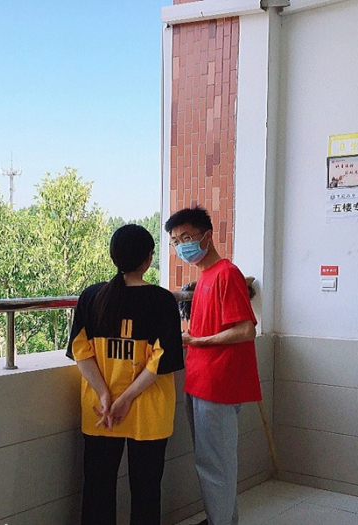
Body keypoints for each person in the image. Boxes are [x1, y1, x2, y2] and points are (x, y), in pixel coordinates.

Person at [66, 224, 184, 525]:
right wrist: (127, 398)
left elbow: (80, 352)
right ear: (148, 259)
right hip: (148, 410)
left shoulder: (91, 296)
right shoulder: (162, 300)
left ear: (113, 256)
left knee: (97, 488)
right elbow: (161, 359)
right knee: (146, 491)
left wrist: (105, 395)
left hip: (100, 410)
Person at [163, 206, 262, 525]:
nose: (181, 246)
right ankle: (222, 519)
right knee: (210, 461)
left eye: (186, 238)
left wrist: (197, 341)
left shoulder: (226, 274)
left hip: (218, 386)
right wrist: (193, 339)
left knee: (215, 463)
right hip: (199, 381)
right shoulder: (204, 277)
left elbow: (245, 330)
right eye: (175, 241)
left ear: (207, 236)